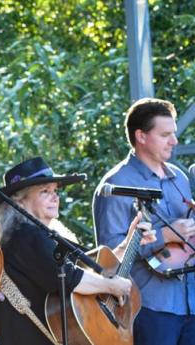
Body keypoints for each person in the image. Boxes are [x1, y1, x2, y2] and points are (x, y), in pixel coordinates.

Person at [0, 157, 155, 345]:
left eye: (55, 190)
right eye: (44, 191)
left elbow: (92, 266)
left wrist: (127, 245)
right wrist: (110, 286)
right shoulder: (23, 234)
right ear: (19, 201)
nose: (55, 196)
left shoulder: (45, 235)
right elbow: (71, 277)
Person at [93, 98, 195, 345]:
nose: (174, 141)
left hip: (191, 301)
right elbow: (109, 255)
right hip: (150, 308)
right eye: (165, 135)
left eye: (173, 133)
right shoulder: (116, 185)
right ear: (141, 136)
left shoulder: (179, 177)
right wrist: (165, 236)